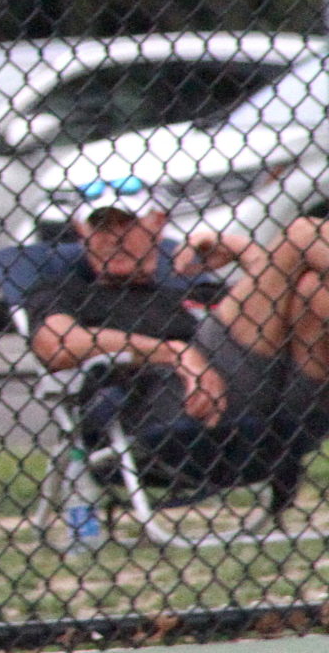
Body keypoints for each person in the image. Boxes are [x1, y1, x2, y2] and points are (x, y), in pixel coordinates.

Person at [27, 177, 329, 489]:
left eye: (127, 224)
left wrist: (245, 252)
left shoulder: (195, 287)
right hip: (169, 409)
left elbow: (272, 312)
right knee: (301, 233)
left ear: (158, 223)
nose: (114, 238)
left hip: (282, 400)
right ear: (81, 231)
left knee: (313, 291)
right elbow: (56, 343)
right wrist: (175, 352)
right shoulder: (65, 292)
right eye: (101, 227)